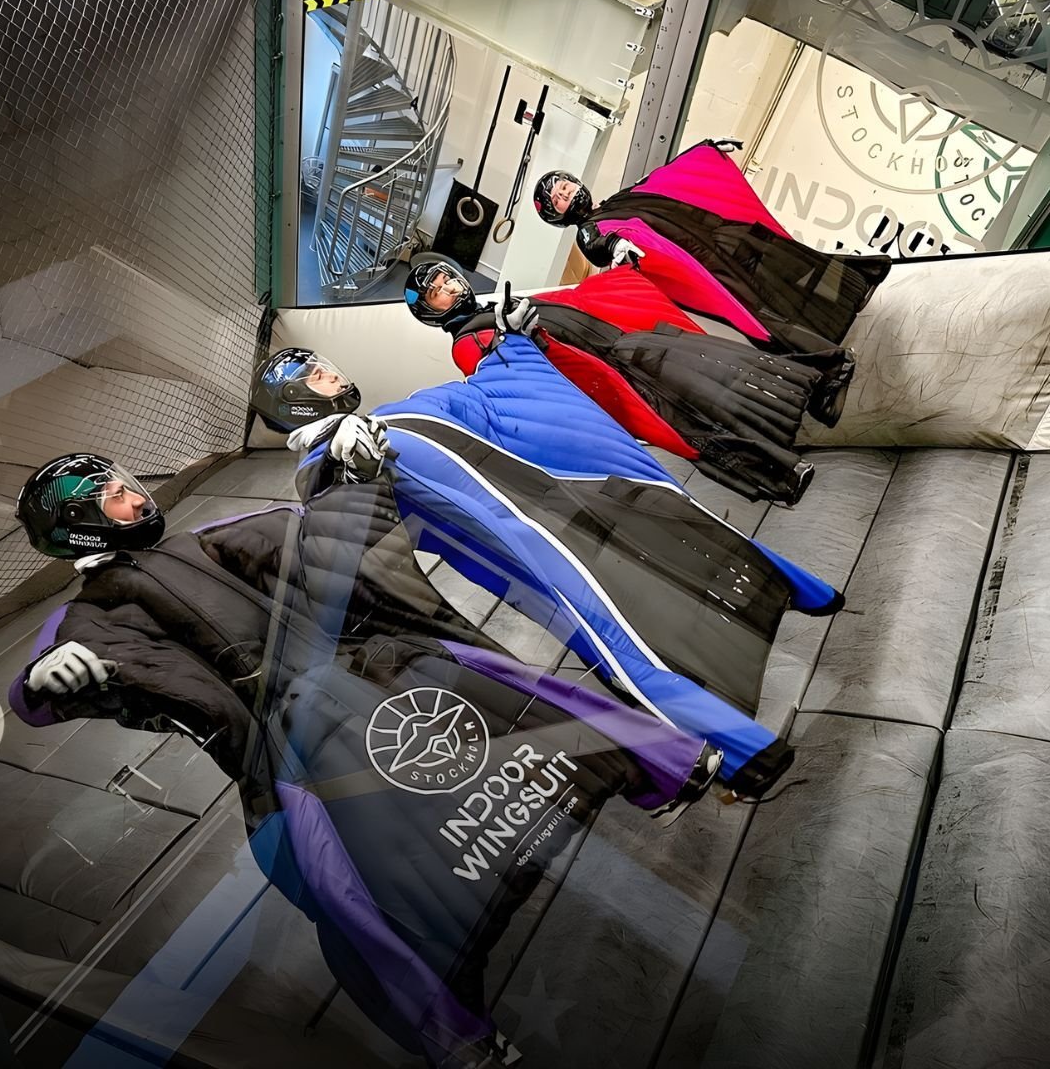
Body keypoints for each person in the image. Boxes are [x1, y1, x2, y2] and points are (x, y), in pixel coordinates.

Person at [10, 418, 720, 1067]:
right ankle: (454, 1039)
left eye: (124, 484)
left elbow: (309, 532)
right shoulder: (93, 617)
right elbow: (37, 690)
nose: (133, 496)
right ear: (77, 528)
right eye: (110, 496)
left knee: (527, 694)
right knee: (347, 894)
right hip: (291, 744)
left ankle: (669, 765)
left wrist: (350, 477)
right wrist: (49, 680)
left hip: (364, 675)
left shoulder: (206, 541)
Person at [290, 328, 841, 806]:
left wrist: (507, 339)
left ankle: (807, 596)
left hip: (576, 511)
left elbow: (488, 393)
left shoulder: (396, 415)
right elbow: (329, 512)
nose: (330, 374)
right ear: (292, 400)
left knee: (689, 541)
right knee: (623, 651)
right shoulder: (331, 456)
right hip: (535, 561)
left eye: (325, 366)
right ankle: (752, 757)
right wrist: (334, 459)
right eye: (314, 376)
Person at [403, 253, 856, 504]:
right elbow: (515, 377)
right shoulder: (468, 339)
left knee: (726, 375)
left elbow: (573, 308)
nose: (448, 288)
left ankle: (816, 392)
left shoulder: (495, 308)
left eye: (446, 280)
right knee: (695, 424)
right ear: (430, 310)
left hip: (629, 349)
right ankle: (780, 474)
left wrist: (620, 272)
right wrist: (523, 336)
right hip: (617, 377)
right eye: (437, 293)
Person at [533, 138, 891, 345]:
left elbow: (662, 178)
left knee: (787, 261)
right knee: (761, 304)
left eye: (566, 186)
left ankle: (846, 294)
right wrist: (615, 248)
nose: (568, 193)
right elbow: (599, 244)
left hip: (721, 237)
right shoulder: (589, 230)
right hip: (705, 261)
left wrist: (704, 152)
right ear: (557, 214)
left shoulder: (617, 201)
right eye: (560, 198)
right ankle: (821, 339)